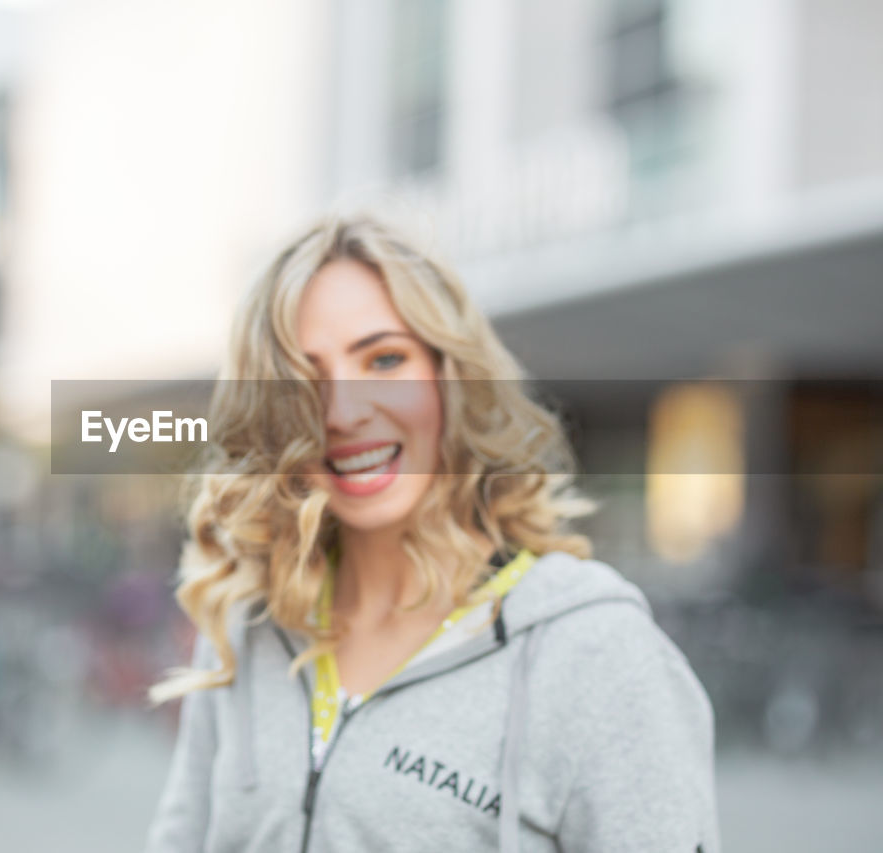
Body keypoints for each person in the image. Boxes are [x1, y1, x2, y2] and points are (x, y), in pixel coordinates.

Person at [144, 216, 719, 852]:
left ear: (453, 377)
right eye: (304, 381)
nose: (343, 413)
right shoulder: (245, 622)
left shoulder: (592, 650)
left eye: (384, 359)